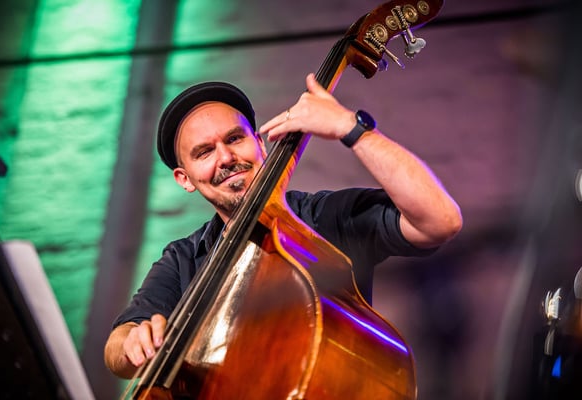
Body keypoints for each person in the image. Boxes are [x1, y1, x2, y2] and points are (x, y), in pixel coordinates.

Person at [104, 72, 463, 379]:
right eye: (204, 152)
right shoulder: (183, 258)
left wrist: (350, 128)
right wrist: (133, 341)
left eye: (235, 138)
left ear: (259, 144)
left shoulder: (325, 218)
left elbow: (440, 221)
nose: (226, 157)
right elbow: (117, 347)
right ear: (185, 179)